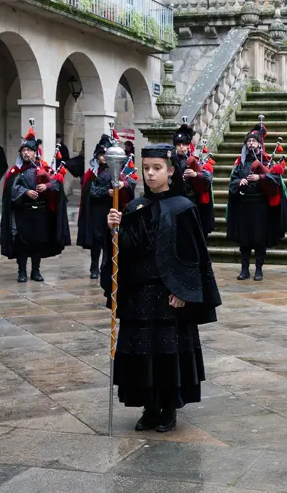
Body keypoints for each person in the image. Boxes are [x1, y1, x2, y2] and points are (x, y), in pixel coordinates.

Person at [102, 143, 221, 433]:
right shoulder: (133, 207)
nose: (150, 174)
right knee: (143, 352)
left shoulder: (183, 208)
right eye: (146, 169)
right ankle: (149, 407)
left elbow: (192, 256)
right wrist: (114, 229)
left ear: (170, 171)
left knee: (168, 353)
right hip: (139, 295)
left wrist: (183, 291)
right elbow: (124, 253)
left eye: (157, 168)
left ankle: (168, 408)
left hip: (169, 294)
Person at [0, 125, 70, 282]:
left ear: (35, 152)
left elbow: (57, 186)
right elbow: (10, 191)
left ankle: (36, 271)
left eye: (29, 150)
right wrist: (25, 192)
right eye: (23, 150)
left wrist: (47, 186)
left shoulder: (45, 168)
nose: (26, 153)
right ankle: (22, 271)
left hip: (40, 212)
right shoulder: (15, 172)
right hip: (22, 212)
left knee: (37, 242)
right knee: (22, 243)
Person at [226, 123, 287, 281]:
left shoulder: (268, 161)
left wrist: (260, 177)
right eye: (248, 141)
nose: (251, 144)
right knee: (245, 239)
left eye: (254, 141)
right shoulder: (239, 163)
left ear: (260, 144)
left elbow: (275, 181)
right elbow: (232, 182)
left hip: (261, 206)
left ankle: (259, 269)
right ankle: (244, 269)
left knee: (259, 238)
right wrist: (239, 182)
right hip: (243, 205)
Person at [77, 134, 134, 279]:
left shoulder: (120, 170)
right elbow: (91, 192)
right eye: (101, 154)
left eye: (105, 154)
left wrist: (123, 184)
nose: (103, 157)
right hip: (97, 211)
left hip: (114, 209)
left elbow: (131, 183)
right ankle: (94, 266)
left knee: (111, 238)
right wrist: (105, 192)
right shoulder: (91, 174)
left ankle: (106, 265)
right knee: (97, 239)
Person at [171, 122, 215, 237]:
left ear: (188, 145)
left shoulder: (196, 160)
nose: (181, 147)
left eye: (184, 144)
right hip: (174, 200)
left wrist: (196, 175)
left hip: (193, 200)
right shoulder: (170, 162)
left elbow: (208, 178)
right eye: (178, 144)